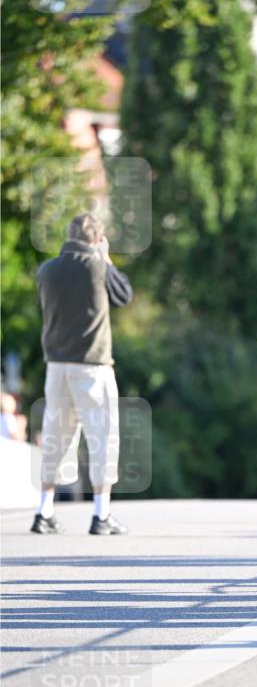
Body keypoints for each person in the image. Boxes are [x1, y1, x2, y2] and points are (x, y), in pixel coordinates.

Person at [31, 213, 133, 535]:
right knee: (102, 438)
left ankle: (44, 511)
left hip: (56, 365)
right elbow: (123, 295)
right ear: (96, 239)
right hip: (92, 366)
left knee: (56, 437)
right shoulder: (98, 267)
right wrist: (105, 257)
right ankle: (101, 515)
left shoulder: (46, 270)